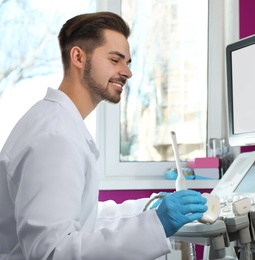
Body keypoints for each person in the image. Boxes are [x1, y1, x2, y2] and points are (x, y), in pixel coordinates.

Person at [0, 12, 208, 260]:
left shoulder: (58, 122)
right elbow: (53, 252)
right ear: (78, 57)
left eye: (127, 63)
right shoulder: (55, 138)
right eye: (115, 60)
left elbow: (84, 216)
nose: (127, 72)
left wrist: (148, 209)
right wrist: (156, 226)